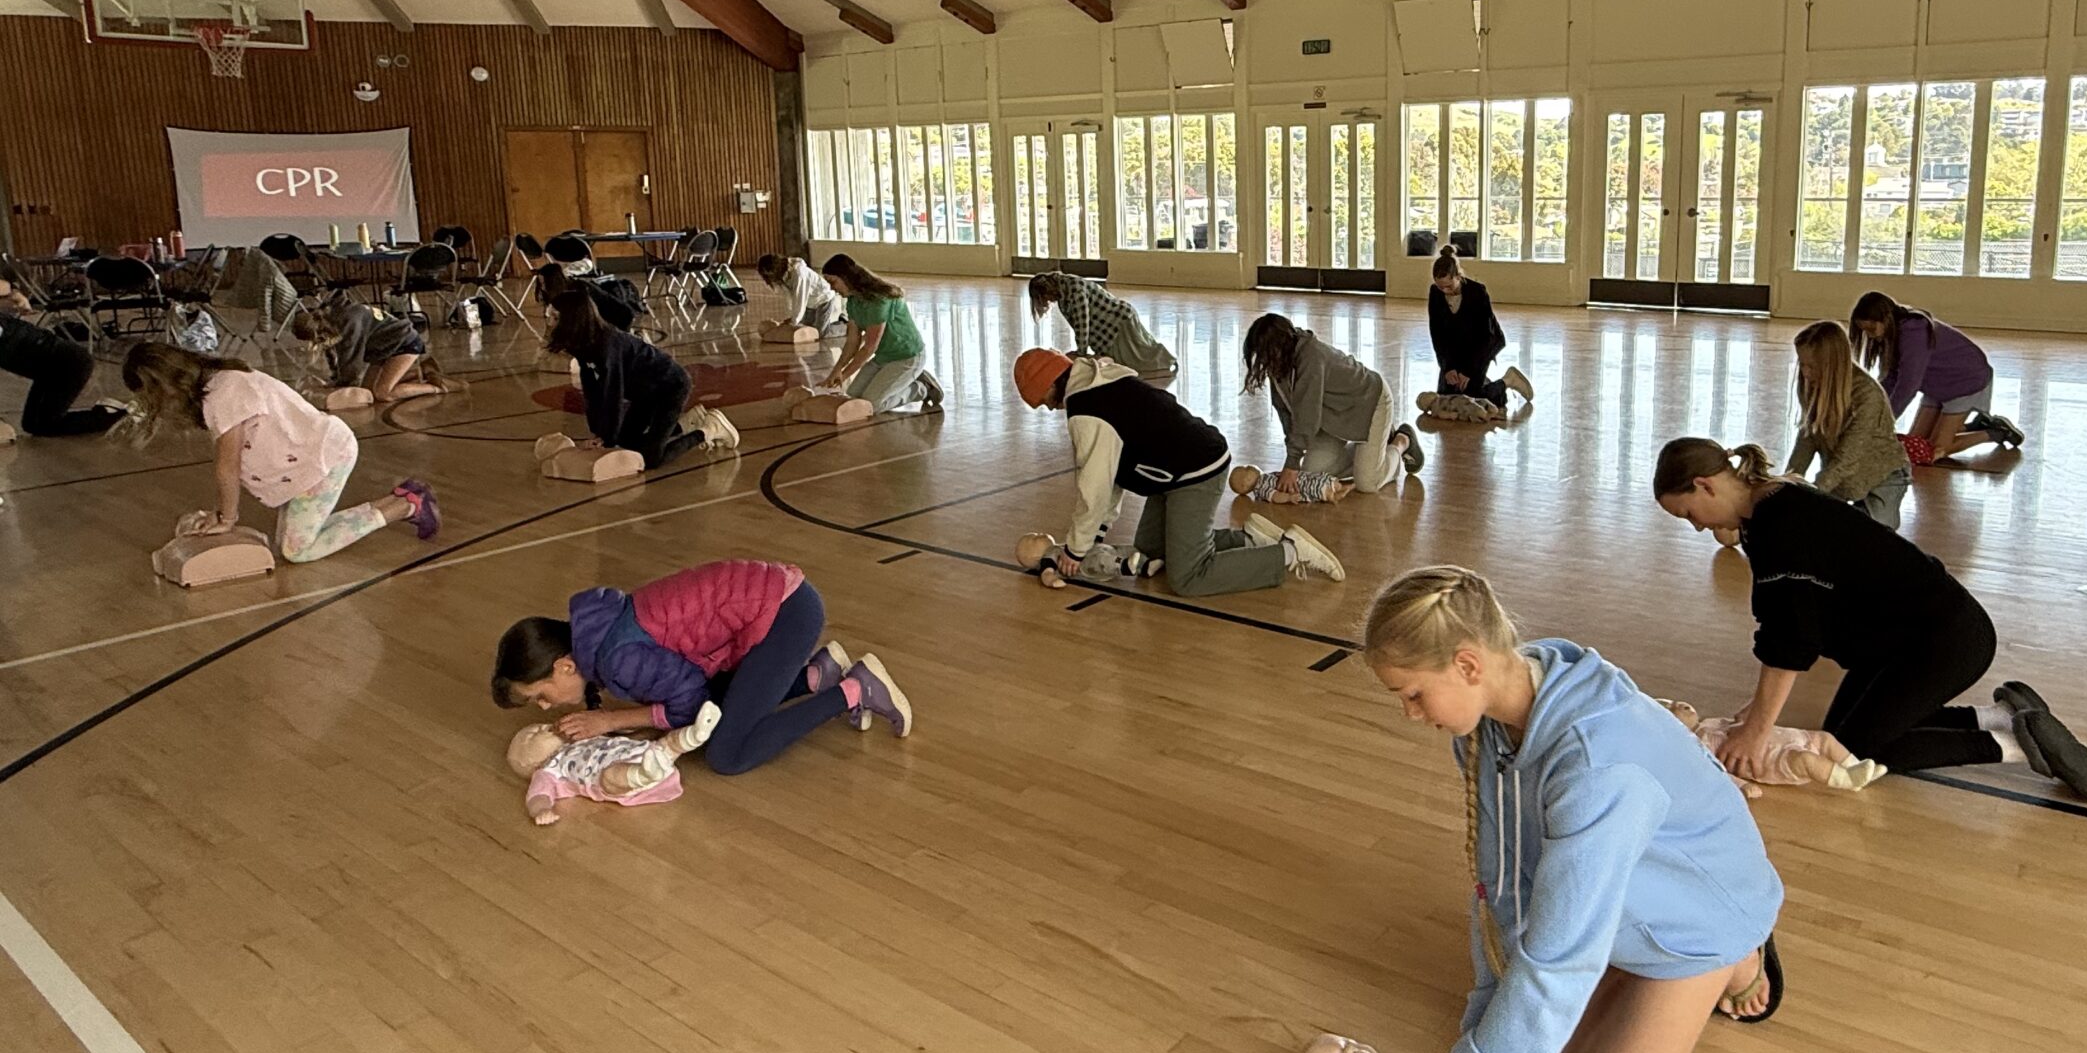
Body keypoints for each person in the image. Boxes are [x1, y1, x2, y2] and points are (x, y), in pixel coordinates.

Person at [1362, 565, 1784, 1053]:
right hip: (1621, 900)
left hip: (1699, 916)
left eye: (1413, 693)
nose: (1408, 712)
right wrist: (1484, 1020)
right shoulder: (1488, 723)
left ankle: (1735, 957)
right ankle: (1635, 972)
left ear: (1469, 664)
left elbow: (1559, 957)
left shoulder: (1597, 767)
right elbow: (1500, 885)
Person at [1652, 437, 2087, 799]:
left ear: (1705, 484)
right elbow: (1789, 622)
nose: (1695, 526)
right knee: (1842, 735)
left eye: (1688, 513)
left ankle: (2013, 745)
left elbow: (1790, 640)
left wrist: (1756, 733)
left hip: (1941, 642)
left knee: (1857, 754)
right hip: (1896, 644)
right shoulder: (1768, 509)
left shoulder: (1782, 527)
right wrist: (1756, 711)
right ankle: (1999, 715)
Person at [489, 560, 911, 777]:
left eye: (540, 696)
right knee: (723, 712)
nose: (545, 707)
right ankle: (816, 675)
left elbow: (692, 705)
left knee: (728, 754)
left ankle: (855, 689)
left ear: (564, 667)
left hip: (785, 614)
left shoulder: (618, 658)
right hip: (781, 600)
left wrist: (613, 720)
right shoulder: (598, 632)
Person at [1012, 347, 1344, 594]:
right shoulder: (1098, 380)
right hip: (1178, 467)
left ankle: (1288, 553)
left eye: (1045, 401)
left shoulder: (1086, 410)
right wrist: (1093, 536)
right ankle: (1248, 538)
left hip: (1194, 471)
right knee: (1152, 549)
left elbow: (1094, 485)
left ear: (1049, 384)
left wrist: (1074, 550)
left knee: (1188, 577)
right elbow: (1111, 476)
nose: (1050, 409)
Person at [121, 340, 436, 560]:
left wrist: (226, 518)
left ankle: (408, 506)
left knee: (298, 550)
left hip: (323, 456)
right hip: (305, 461)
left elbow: (226, 466)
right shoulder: (218, 385)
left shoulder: (224, 392)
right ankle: (402, 497)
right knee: (292, 539)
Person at [547, 284, 734, 467]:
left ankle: (710, 429)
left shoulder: (606, 346)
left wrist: (605, 440)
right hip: (645, 393)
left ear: (573, 320)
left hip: (670, 387)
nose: (549, 323)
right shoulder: (582, 344)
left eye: (555, 318)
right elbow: (592, 391)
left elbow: (613, 395)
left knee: (651, 459)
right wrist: (597, 433)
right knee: (627, 441)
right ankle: (686, 425)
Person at [1234, 313, 1420, 497]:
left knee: (1367, 483)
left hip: (1369, 403)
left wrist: (1291, 465)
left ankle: (1401, 440)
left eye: (1266, 354)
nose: (1263, 362)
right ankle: (1374, 450)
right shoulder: (1279, 362)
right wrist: (1293, 460)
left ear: (1281, 345)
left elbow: (1307, 416)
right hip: (1334, 416)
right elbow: (1286, 412)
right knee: (1311, 472)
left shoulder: (1312, 358)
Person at [1848, 291, 2023, 463]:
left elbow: (1908, 385)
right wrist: (1873, 409)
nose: (1870, 335)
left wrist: (1885, 420)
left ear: (1885, 318)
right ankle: (1975, 425)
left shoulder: (1913, 332)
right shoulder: (1891, 335)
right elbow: (1891, 379)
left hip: (1966, 383)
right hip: (1937, 386)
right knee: (1915, 446)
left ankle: (1996, 433)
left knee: (1933, 451)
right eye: (1865, 331)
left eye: (1871, 329)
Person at [1783, 319, 1912, 527]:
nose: (1805, 373)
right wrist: (1789, 480)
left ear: (1832, 365)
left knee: (1872, 536)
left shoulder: (1868, 394)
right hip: (1839, 476)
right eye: (1802, 364)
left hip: (1882, 475)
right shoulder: (1810, 382)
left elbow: (1849, 456)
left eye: (1811, 366)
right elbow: (1808, 435)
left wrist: (1815, 492)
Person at [815, 256, 944, 413]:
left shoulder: (879, 301)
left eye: (833, 282)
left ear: (846, 278)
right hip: (884, 358)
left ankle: (921, 388)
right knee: (853, 397)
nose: (832, 288)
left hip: (907, 357)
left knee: (871, 406)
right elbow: (852, 342)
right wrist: (837, 370)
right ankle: (908, 378)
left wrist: (845, 374)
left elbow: (869, 347)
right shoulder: (853, 302)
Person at [0, 275, 124, 436]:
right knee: (34, 425)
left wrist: (13, 292)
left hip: (69, 363)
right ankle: (108, 411)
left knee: (48, 425)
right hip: (49, 370)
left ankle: (118, 416)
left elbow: (3, 286)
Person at [1422, 248, 1532, 421]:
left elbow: (1485, 336)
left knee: (1476, 396)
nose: (1444, 291)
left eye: (1449, 286)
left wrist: (1469, 371)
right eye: (1440, 286)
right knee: (1446, 395)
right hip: (1456, 346)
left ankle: (1508, 380)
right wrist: (1448, 366)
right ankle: (1482, 380)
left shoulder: (1477, 292)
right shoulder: (1435, 293)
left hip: (1482, 346)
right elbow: (1437, 334)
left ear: (1458, 277)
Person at [1027, 270, 1176, 384]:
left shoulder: (1075, 291)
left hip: (1119, 322)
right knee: (1129, 359)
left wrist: (1081, 353)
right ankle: (1164, 359)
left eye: (1045, 298)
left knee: (1139, 356)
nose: (1048, 302)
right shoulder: (1063, 292)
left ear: (1047, 290)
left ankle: (1166, 359)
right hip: (1108, 328)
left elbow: (1082, 323)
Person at [291, 297, 442, 403]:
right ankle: (418, 373)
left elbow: (352, 360)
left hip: (404, 342)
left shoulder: (349, 323)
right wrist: (336, 378)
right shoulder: (329, 317)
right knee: (368, 391)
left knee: (383, 394)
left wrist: (343, 384)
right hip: (383, 348)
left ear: (319, 332)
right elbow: (331, 350)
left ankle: (435, 388)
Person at [535, 260, 643, 332]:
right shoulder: (563, 294)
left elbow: (587, 321)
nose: (542, 288)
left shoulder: (579, 290)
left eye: (544, 284)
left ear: (554, 283)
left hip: (617, 318)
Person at [757, 252, 844, 335]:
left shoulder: (799, 274)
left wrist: (793, 322)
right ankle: (837, 321)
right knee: (807, 329)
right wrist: (793, 318)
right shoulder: (784, 276)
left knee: (819, 333)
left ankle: (845, 327)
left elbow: (800, 298)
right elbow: (792, 299)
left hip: (823, 298)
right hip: (810, 303)